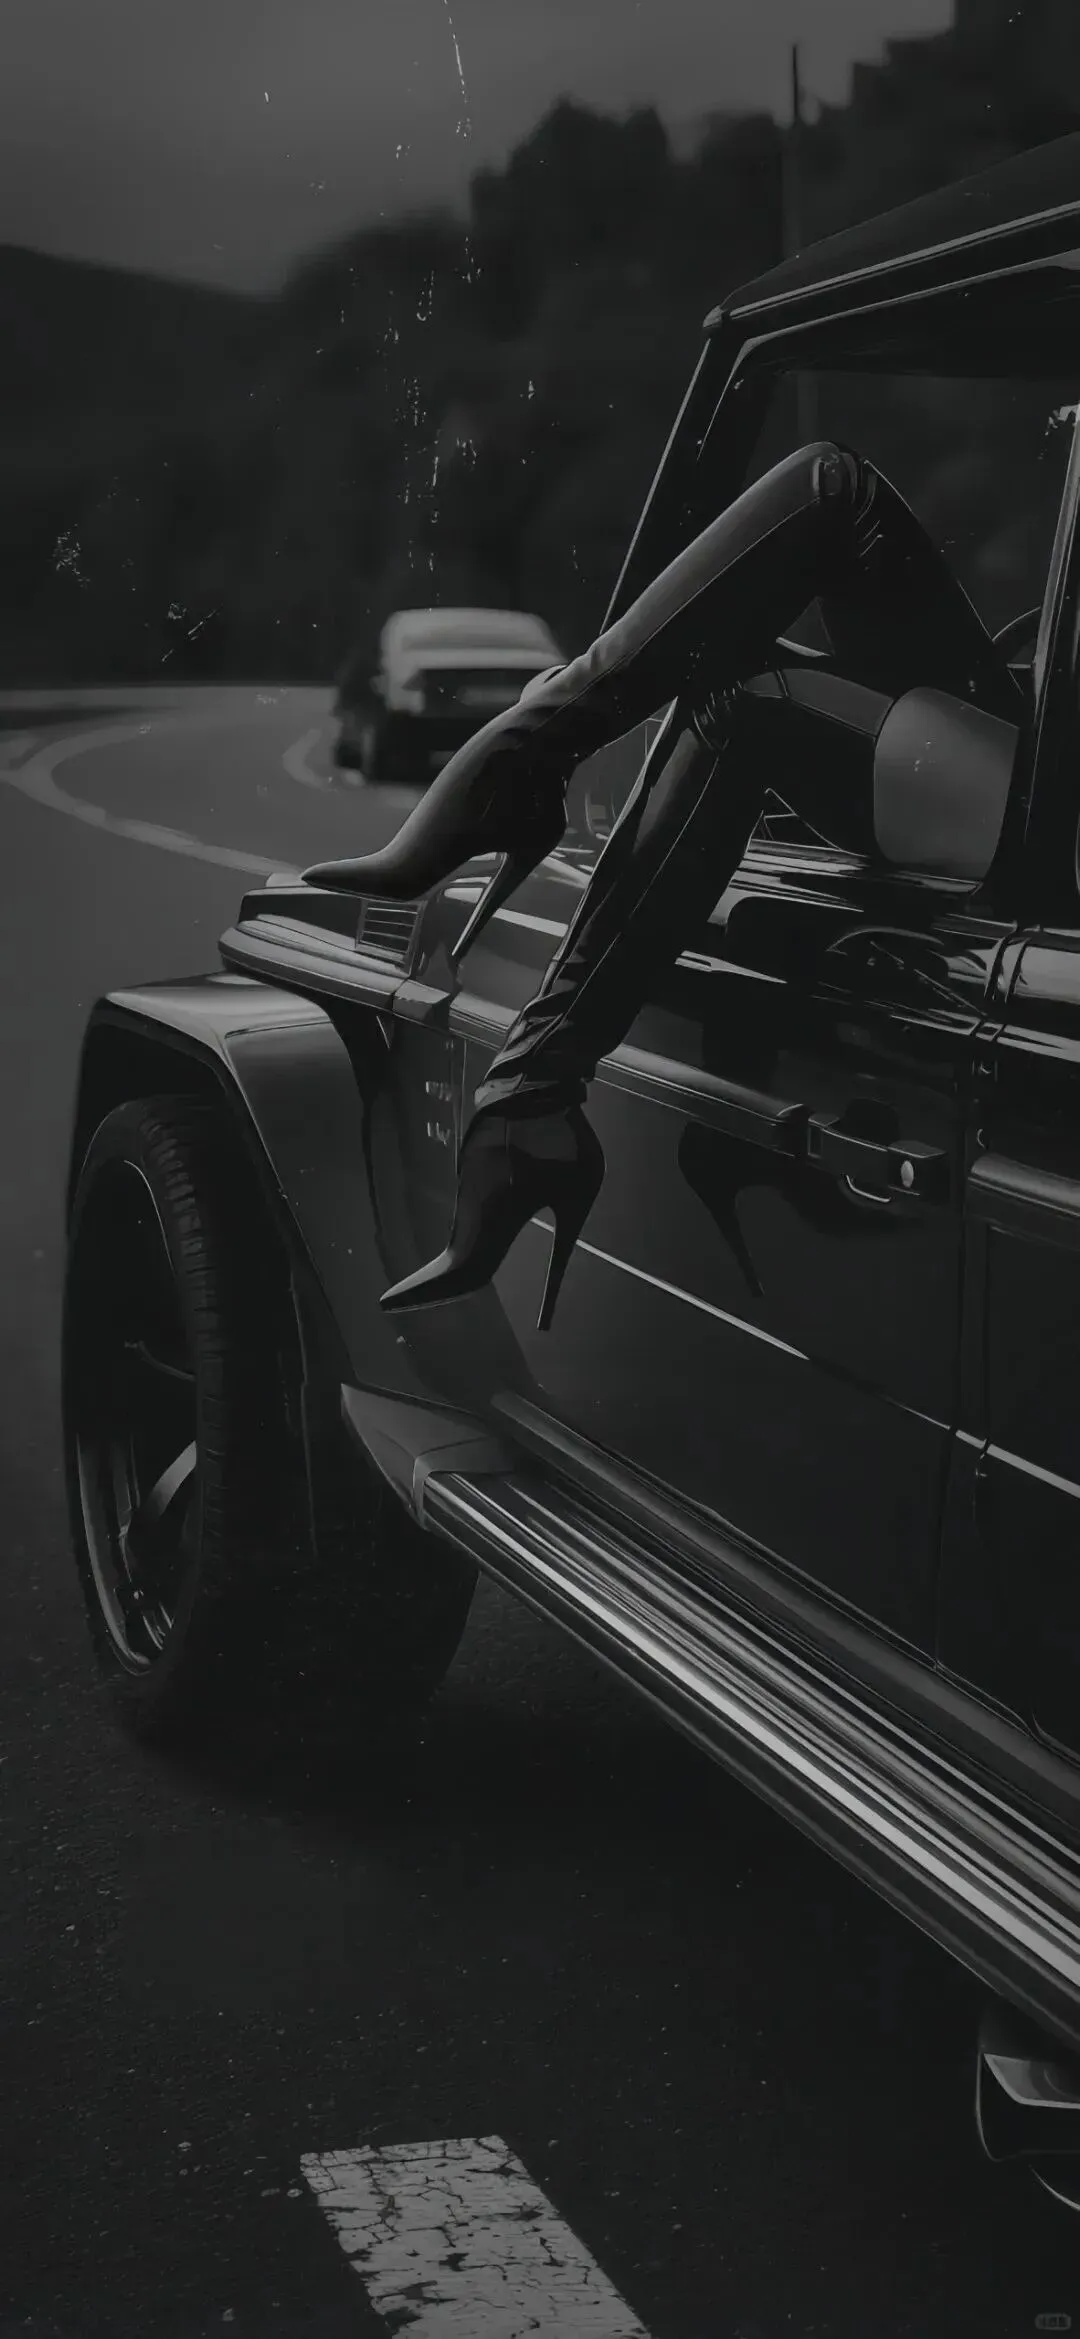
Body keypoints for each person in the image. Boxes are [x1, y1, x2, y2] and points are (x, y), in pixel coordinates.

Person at [303, 440, 1013, 1326]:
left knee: (804, 553)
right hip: (1027, 765)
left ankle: (513, 787)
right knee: (797, 547)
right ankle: (528, 1076)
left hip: (1046, 810)